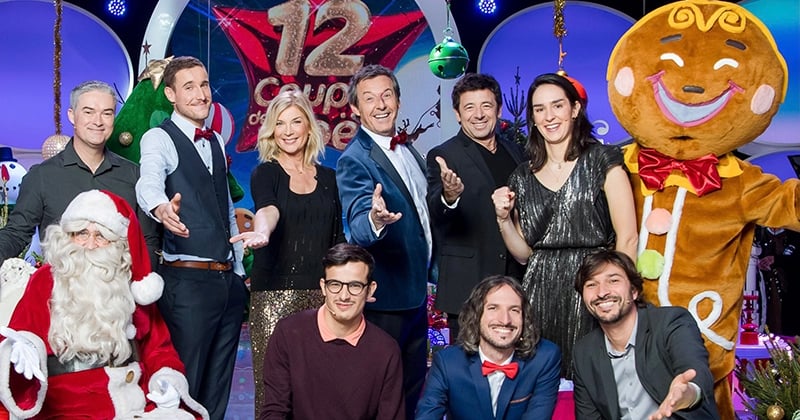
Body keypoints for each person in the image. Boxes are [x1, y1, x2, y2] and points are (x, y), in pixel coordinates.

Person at [0, 190, 208, 419]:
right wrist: (21, 348)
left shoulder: (130, 285)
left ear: (117, 243)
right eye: (81, 233)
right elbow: (17, 335)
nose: (90, 244)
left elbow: (159, 348)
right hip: (66, 406)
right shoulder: (46, 280)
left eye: (101, 236)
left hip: (133, 399)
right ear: (67, 236)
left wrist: (166, 380)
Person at [492, 72, 638, 378]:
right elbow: (524, 254)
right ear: (533, 118)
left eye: (557, 106)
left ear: (574, 109)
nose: (549, 116)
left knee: (596, 380)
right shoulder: (522, 176)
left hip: (593, 284)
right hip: (540, 292)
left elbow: (627, 238)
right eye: (540, 109)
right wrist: (503, 219)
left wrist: (619, 294)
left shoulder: (603, 161)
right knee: (541, 382)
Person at [136, 56, 248, 419]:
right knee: (184, 389)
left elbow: (226, 209)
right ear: (171, 94)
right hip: (188, 285)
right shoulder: (159, 137)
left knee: (217, 392)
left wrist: (238, 272)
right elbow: (148, 181)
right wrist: (160, 207)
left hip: (227, 283)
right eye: (189, 87)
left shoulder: (214, 140)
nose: (201, 94)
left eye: (204, 85)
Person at [229, 89, 345, 413]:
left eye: (295, 122)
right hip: (273, 297)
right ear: (271, 130)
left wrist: (350, 284)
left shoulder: (330, 178)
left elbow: (337, 239)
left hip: (322, 298)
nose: (288, 130)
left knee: (320, 392)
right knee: (275, 393)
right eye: (280, 123)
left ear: (309, 127)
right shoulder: (265, 173)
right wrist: (262, 232)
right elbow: (268, 209)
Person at [336, 64, 431, 417]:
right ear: (355, 108)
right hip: (385, 302)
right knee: (380, 397)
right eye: (369, 98)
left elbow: (421, 216)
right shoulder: (355, 159)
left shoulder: (409, 151)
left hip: (415, 294)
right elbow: (358, 224)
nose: (380, 105)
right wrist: (375, 220)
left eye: (387, 95)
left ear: (398, 101)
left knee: (410, 391)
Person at [0, 80, 159, 266]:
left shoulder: (134, 175)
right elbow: (17, 233)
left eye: (107, 113)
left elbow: (148, 241)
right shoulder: (41, 176)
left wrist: (138, 279)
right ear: (72, 115)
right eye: (88, 112)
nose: (98, 121)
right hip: (60, 282)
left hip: (119, 282)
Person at [426, 73, 525, 339]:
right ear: (458, 114)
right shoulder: (444, 155)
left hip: (515, 282)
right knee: (467, 361)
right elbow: (436, 212)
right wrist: (449, 196)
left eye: (486, 106)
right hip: (468, 286)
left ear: (499, 110)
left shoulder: (516, 152)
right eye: (469, 107)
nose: (478, 115)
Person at [260, 243, 404, 419]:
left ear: (370, 290)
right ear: (323, 286)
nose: (344, 296)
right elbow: (274, 410)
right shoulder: (288, 332)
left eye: (355, 286)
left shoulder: (386, 350)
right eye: (335, 284)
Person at [572, 250, 719, 419]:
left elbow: (695, 369)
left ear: (634, 291)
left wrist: (688, 394)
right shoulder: (584, 352)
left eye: (613, 280)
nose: (602, 292)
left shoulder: (670, 322)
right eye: (591, 284)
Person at [416, 275, 561, 420]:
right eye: (493, 308)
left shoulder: (545, 357)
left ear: (524, 318)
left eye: (514, 310)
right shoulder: (447, 363)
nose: (505, 320)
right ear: (476, 316)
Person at [755, 226, 800, 336]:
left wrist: (777, 260)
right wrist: (758, 263)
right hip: (762, 288)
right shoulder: (757, 233)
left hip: (790, 292)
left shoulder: (794, 234)